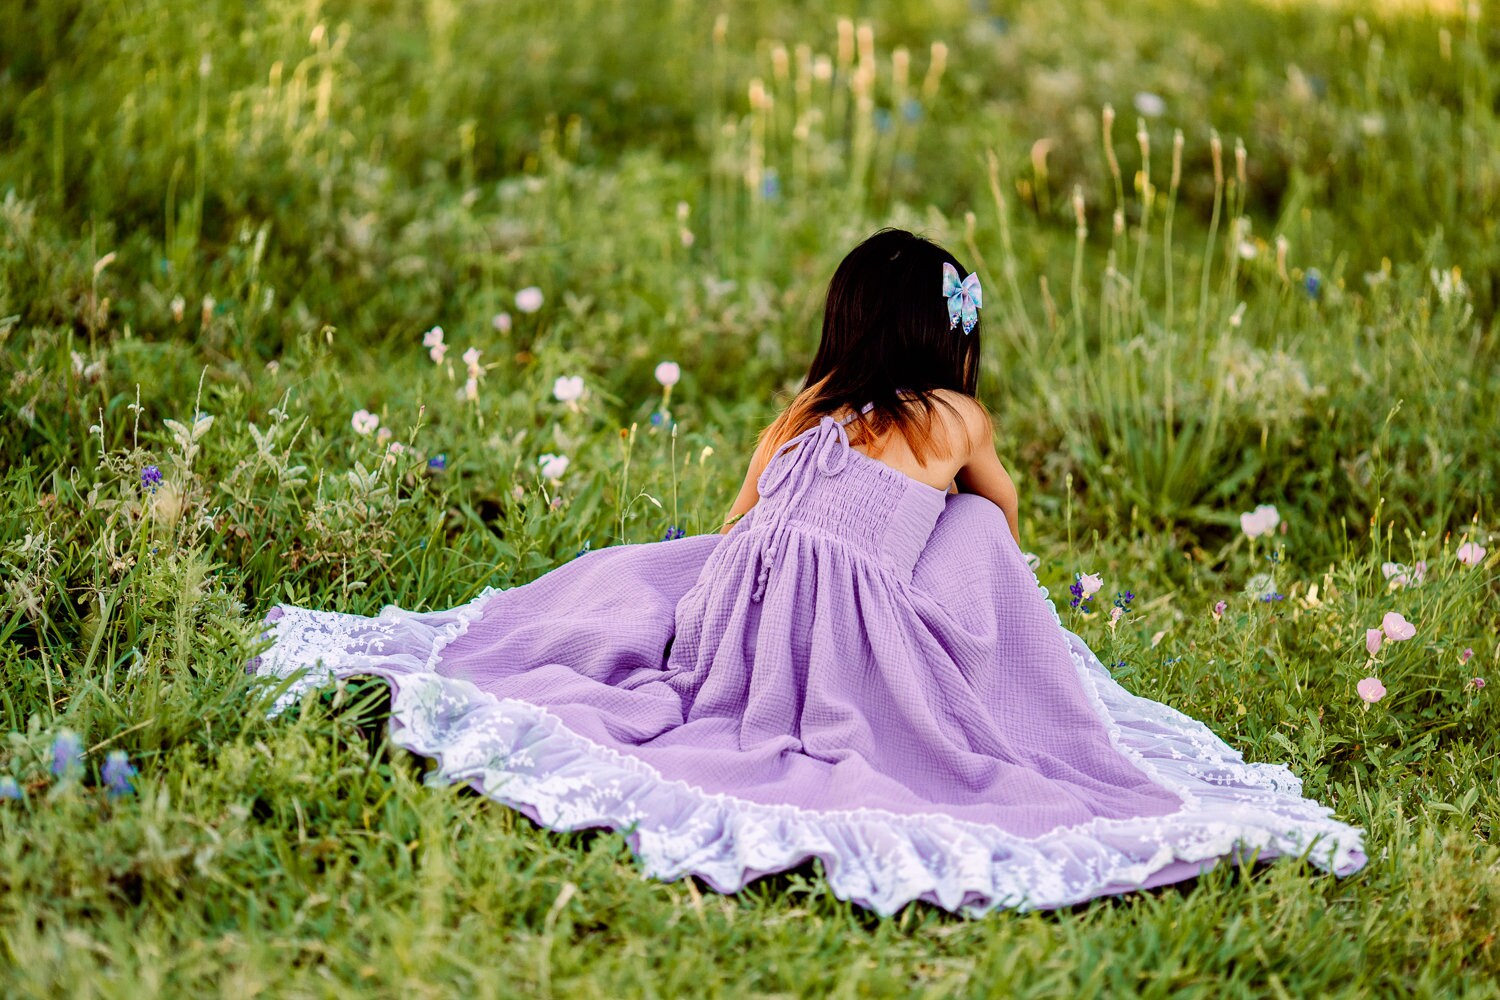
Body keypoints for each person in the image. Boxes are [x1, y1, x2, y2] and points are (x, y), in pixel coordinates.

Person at [250, 229, 1365, 916]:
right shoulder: (955, 416)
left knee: (671, 570)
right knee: (974, 531)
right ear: (948, 337)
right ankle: (995, 681)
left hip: (736, 613)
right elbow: (1003, 518)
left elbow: (739, 518)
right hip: (846, 638)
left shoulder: (809, 407)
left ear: (849, 328)